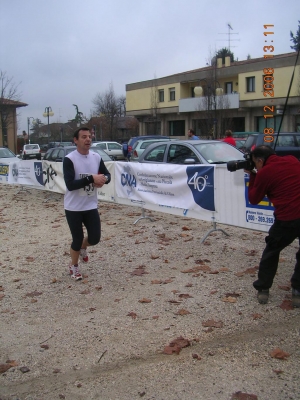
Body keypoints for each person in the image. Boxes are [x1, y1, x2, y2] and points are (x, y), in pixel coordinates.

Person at [246, 145, 300, 307]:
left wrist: (253, 176)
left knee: (272, 252)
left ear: (261, 161)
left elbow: (254, 198)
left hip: (287, 218)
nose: (255, 167)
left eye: (256, 164)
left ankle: (263, 288)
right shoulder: (292, 160)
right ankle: (297, 290)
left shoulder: (264, 173)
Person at [63, 127, 111, 280]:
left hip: (90, 205)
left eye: (89, 136)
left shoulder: (96, 157)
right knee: (77, 238)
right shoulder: (69, 159)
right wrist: (91, 178)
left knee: (95, 238)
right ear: (75, 140)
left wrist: (104, 180)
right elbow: (70, 184)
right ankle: (74, 266)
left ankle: (84, 247)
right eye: (83, 137)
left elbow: (107, 174)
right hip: (73, 207)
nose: (88, 139)